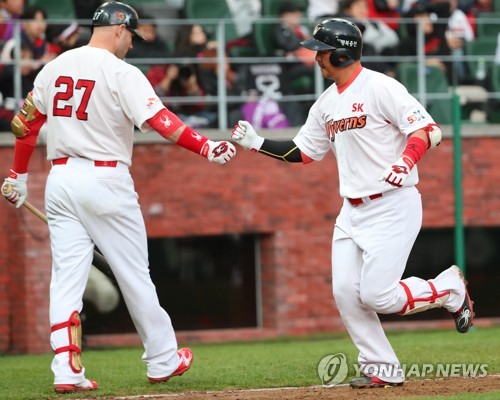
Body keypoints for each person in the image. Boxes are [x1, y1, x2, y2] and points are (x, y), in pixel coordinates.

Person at [1, 1, 235, 394]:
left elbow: (24, 124)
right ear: (119, 28)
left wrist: (17, 176)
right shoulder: (121, 71)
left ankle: (65, 369)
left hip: (59, 179)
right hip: (105, 178)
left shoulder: (54, 66)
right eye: (132, 36)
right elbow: (161, 121)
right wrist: (207, 147)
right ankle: (162, 358)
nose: (132, 44)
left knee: (66, 278)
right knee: (133, 272)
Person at [231, 18, 474, 389]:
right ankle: (382, 367)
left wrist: (405, 161)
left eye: (322, 51)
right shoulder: (325, 103)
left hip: (394, 203)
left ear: (343, 52)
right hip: (352, 209)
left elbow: (424, 130)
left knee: (378, 295)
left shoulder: (381, 87)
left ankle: (447, 288)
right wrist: (258, 142)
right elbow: (303, 152)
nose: (316, 57)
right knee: (346, 292)